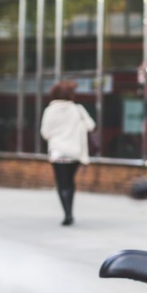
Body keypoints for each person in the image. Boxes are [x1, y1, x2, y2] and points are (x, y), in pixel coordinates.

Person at [39, 80, 95, 226]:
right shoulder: (77, 109)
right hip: (75, 152)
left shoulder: (50, 111)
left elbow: (45, 133)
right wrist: (77, 126)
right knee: (70, 182)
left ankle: (67, 214)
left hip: (58, 153)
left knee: (62, 183)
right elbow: (91, 125)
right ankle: (70, 212)